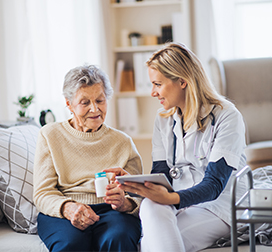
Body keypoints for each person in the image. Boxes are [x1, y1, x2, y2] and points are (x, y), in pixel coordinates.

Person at [106, 43, 247, 252]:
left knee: (150, 243)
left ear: (182, 81)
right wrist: (136, 184)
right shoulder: (163, 118)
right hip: (181, 202)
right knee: (151, 205)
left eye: (157, 84)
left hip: (219, 206)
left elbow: (214, 185)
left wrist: (170, 198)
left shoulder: (226, 116)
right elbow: (161, 174)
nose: (153, 93)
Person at [33, 64, 143, 252]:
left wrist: (125, 203)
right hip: (65, 209)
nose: (95, 109)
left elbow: (139, 195)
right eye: (85, 103)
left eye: (100, 100)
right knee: (70, 244)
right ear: (68, 104)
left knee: (118, 239)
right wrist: (68, 208)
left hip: (111, 211)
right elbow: (43, 193)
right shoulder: (49, 135)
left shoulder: (122, 142)